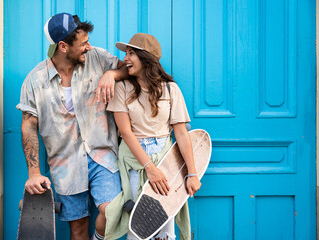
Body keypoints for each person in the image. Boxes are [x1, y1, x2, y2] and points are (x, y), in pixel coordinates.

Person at [16, 13, 128, 240]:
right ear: (63, 46)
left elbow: (130, 68)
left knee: (112, 212)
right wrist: (34, 173)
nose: (89, 47)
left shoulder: (98, 58)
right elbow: (29, 126)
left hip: (101, 155)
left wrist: (112, 73)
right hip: (65, 164)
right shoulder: (35, 80)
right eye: (83, 43)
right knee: (77, 228)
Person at [105, 33, 202, 240]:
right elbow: (126, 132)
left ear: (146, 58)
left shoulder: (171, 89)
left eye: (131, 53)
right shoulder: (122, 88)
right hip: (134, 162)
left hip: (167, 162)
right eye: (126, 53)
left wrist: (192, 173)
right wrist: (150, 168)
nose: (126, 59)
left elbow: (181, 134)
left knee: (166, 230)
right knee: (137, 228)